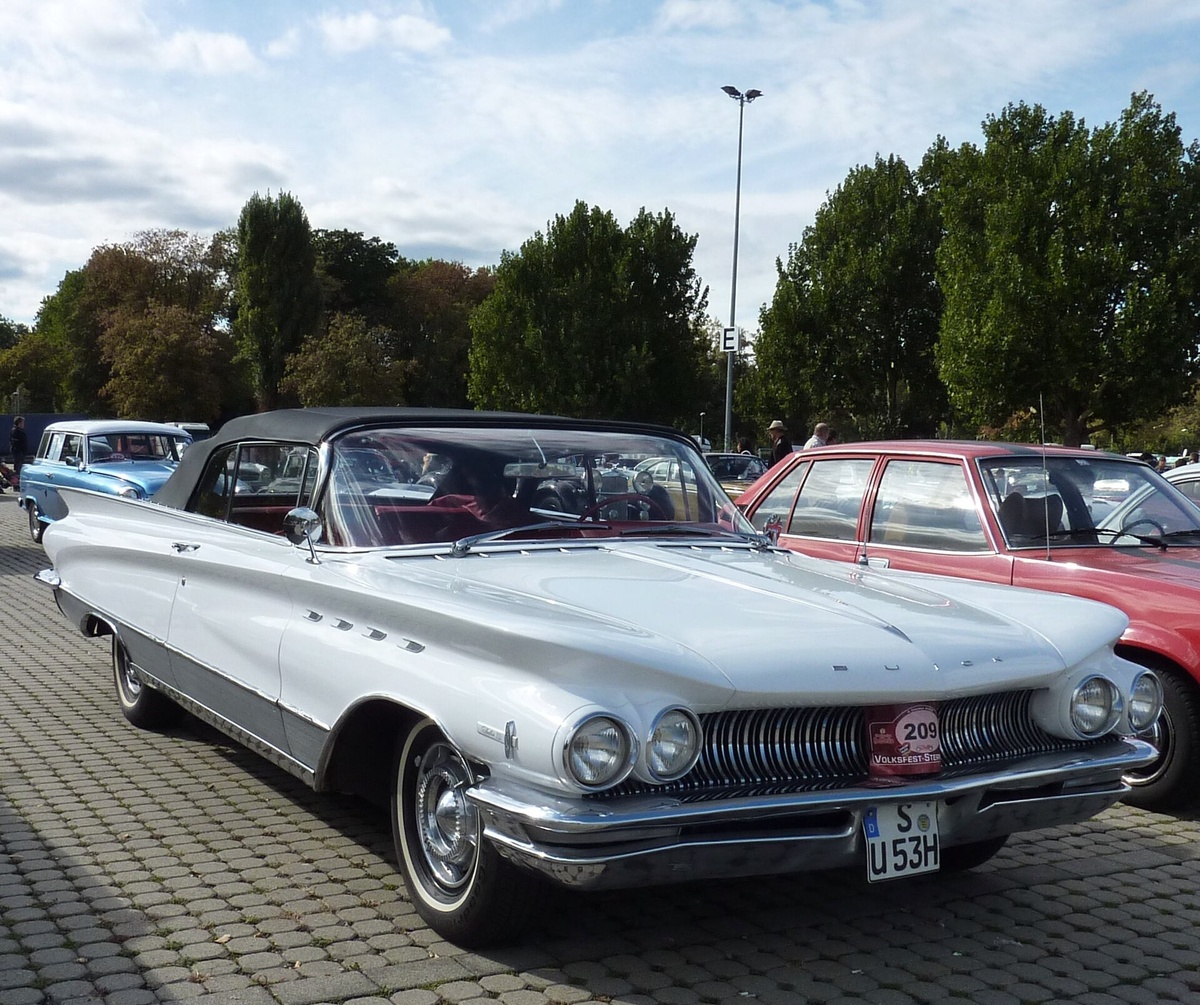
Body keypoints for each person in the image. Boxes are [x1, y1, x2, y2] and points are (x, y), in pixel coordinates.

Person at [9, 416, 27, 489]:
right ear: (19, 423)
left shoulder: (19, 431)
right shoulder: (16, 432)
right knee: (17, 469)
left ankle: (18, 483)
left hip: (20, 452)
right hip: (18, 452)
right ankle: (16, 484)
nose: (23, 424)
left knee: (19, 468)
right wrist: (21, 450)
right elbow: (15, 443)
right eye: (22, 423)